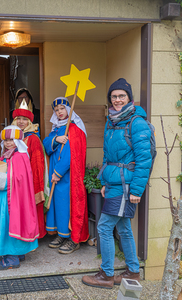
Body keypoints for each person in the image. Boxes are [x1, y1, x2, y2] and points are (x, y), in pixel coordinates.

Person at [82, 78, 152, 289]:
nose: (118, 99)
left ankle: (106, 275)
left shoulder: (137, 122)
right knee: (123, 228)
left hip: (126, 185)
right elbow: (107, 155)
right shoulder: (111, 121)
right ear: (110, 99)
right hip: (113, 184)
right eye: (114, 96)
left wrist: (137, 190)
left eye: (122, 96)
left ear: (129, 98)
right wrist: (103, 181)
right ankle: (132, 270)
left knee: (104, 227)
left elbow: (144, 160)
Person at [0, 125, 39, 270]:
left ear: (18, 140)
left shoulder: (19, 156)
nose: (8, 143)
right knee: (10, 224)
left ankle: (11, 258)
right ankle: (18, 253)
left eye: (11, 140)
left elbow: (16, 180)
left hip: (10, 202)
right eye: (6, 140)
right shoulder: (8, 155)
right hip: (6, 199)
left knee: (7, 224)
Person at [43, 97, 89, 254]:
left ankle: (72, 239)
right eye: (56, 110)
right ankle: (62, 234)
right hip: (56, 174)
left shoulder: (74, 129)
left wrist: (58, 172)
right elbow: (46, 145)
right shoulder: (56, 129)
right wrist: (56, 139)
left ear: (68, 110)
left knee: (66, 205)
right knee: (58, 205)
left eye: (62, 108)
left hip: (68, 176)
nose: (59, 112)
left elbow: (71, 154)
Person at [11, 99, 49, 239]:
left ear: (29, 122)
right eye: (18, 119)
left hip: (28, 180)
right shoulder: (12, 137)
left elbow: (38, 164)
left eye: (24, 119)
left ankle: (33, 235)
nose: (21, 122)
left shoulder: (32, 138)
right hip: (14, 179)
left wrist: (34, 184)